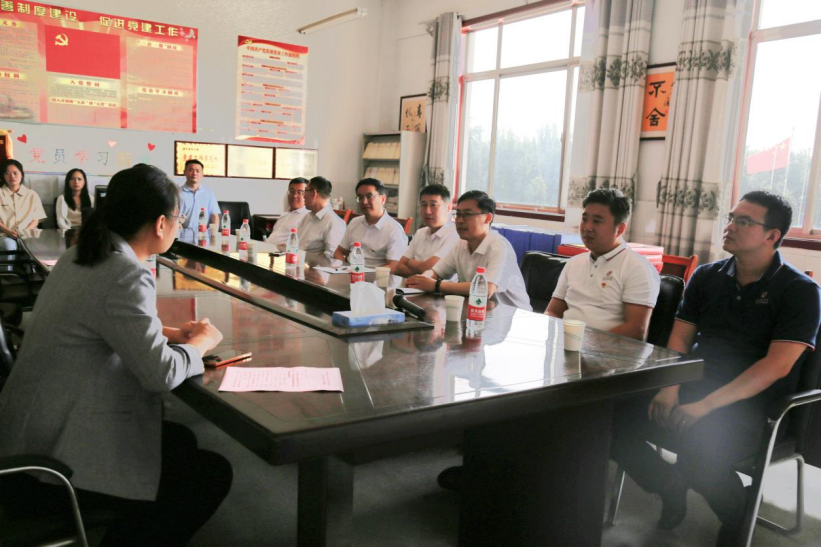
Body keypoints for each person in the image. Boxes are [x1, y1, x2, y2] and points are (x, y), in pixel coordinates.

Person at [0, 164, 232, 546]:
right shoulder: (126, 272)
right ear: (161, 224)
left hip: (25, 436)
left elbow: (99, 318)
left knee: (179, 441)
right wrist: (201, 343)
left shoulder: (81, 255)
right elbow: (160, 374)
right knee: (210, 473)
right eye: (178, 218)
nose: (178, 225)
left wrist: (169, 333)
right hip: (50, 470)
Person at [610, 191, 821, 546]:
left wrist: (705, 406)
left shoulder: (800, 291)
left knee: (698, 452)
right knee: (611, 419)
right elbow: (679, 340)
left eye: (744, 221)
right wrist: (669, 388)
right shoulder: (708, 276)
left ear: (772, 235)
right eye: (731, 218)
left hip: (755, 404)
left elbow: (776, 366)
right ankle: (669, 485)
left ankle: (738, 513)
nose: (730, 226)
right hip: (694, 384)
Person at [546, 188, 660, 341]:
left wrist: (585, 344)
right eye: (584, 219)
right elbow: (553, 312)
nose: (587, 227)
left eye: (597, 221)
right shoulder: (573, 263)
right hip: (565, 344)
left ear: (620, 229)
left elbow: (636, 330)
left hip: (608, 352)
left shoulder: (638, 268)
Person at [406, 190, 531, 312]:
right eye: (458, 214)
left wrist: (436, 285)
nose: (460, 220)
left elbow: (485, 289)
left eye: (467, 214)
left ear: (487, 218)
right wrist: (422, 279)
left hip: (515, 316)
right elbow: (436, 272)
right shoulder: (461, 244)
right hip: (478, 311)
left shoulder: (500, 247)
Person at [334, 178, 408, 269]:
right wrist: (344, 267)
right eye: (360, 197)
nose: (364, 202)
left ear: (383, 199)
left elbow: (393, 266)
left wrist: (365, 273)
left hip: (375, 276)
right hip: (350, 272)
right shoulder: (354, 222)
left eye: (369, 196)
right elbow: (339, 251)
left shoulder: (394, 229)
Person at [394, 184, 458, 278]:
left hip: (441, 287)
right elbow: (399, 267)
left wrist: (409, 262)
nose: (427, 211)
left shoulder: (455, 234)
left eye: (433, 205)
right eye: (424, 205)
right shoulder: (420, 232)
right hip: (414, 285)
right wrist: (422, 270)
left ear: (448, 208)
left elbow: (431, 269)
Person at [296, 176, 346, 263]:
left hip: (314, 268)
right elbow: (297, 244)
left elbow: (333, 258)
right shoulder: (307, 216)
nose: (303, 196)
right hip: (297, 263)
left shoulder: (333, 222)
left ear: (314, 193)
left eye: (305, 191)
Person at [0, 158, 47, 240]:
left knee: (33, 245)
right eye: (7, 173)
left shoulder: (32, 194)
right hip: (5, 235)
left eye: (15, 173)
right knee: (9, 245)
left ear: (21, 175)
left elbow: (36, 219)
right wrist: (9, 232)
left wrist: (25, 232)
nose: (12, 176)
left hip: (29, 234)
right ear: (3, 176)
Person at [178, 159, 220, 231]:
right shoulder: (177, 193)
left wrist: (213, 233)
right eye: (190, 170)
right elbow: (173, 217)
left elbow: (214, 216)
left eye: (197, 171)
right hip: (182, 233)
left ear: (202, 175)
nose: (194, 173)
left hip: (204, 234)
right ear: (184, 172)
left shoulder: (209, 193)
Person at [267, 177, 309, 247]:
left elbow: (303, 243)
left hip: (282, 252)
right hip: (266, 249)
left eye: (300, 192)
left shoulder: (307, 217)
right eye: (292, 191)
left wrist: (287, 246)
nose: (295, 195)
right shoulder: (284, 215)